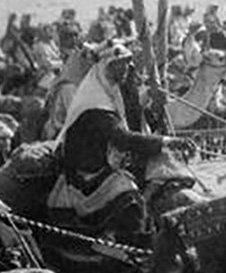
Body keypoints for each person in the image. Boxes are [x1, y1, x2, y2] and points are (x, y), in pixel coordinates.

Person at [48, 41, 193, 240]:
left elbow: (133, 125)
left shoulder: (112, 94)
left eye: (127, 63)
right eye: (120, 64)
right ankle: (134, 249)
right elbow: (122, 138)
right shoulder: (95, 104)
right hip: (86, 173)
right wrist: (169, 141)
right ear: (107, 67)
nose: (126, 69)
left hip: (106, 162)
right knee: (130, 196)